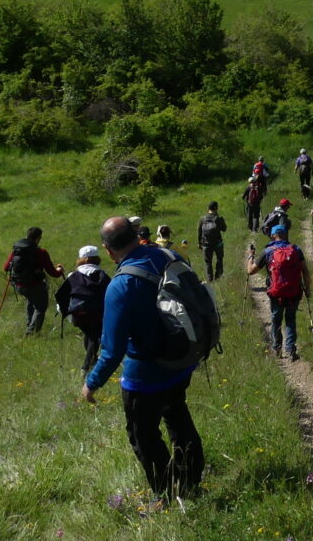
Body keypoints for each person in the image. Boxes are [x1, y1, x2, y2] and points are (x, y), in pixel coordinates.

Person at [80, 216, 205, 510]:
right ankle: (190, 481)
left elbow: (111, 350)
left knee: (143, 436)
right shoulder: (168, 255)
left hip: (146, 376)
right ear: (136, 235)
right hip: (181, 360)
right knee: (177, 417)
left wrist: (91, 383)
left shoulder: (121, 286)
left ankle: (164, 496)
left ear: (108, 250)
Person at [247, 224, 311, 360]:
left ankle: (277, 349)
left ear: (272, 235)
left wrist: (250, 257)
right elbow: (305, 271)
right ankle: (290, 349)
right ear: (285, 234)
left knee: (276, 319)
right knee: (291, 319)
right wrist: (308, 289)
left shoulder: (268, 251)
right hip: (294, 291)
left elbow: (250, 271)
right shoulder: (296, 249)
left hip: (276, 293)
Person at [56, 245, 111, 374]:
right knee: (93, 336)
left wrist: (65, 312)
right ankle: (86, 366)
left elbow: (61, 295)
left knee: (89, 334)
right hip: (96, 313)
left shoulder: (73, 276)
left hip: (77, 313)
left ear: (81, 259)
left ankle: (91, 360)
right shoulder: (102, 275)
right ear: (96, 259)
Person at [3, 226, 64, 334]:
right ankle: (32, 333)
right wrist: (60, 270)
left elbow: (6, 267)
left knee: (31, 302)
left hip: (19, 285)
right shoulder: (41, 252)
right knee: (40, 307)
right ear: (38, 238)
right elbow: (53, 273)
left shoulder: (17, 250)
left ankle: (29, 324)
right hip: (35, 284)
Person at [197, 202, 227, 281]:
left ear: (208, 208)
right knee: (219, 259)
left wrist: (199, 243)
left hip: (206, 244)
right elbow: (224, 229)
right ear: (216, 208)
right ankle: (218, 277)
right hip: (218, 243)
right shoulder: (218, 218)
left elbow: (199, 232)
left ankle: (210, 279)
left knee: (208, 262)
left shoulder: (202, 219)